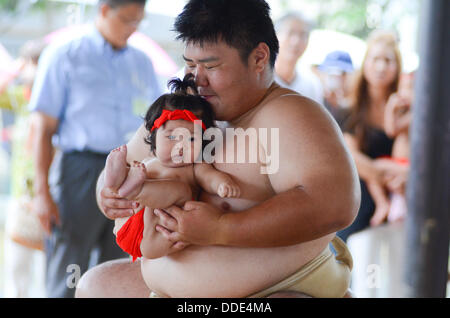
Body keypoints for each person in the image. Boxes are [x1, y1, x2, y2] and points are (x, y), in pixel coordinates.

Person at [77, 0, 360, 298]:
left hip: (277, 290)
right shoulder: (184, 110)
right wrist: (108, 196)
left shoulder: (289, 114)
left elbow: (334, 205)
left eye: (210, 66)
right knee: (95, 285)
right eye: (190, 65)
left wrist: (222, 228)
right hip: (168, 287)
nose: (197, 80)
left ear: (259, 58)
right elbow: (124, 166)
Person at [28, 0, 161, 297]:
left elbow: (155, 124)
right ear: (103, 10)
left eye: (138, 21)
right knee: (68, 266)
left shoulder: (142, 62)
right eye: (127, 19)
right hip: (80, 172)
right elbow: (42, 127)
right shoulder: (65, 54)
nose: (133, 28)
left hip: (131, 172)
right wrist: (41, 193)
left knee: (116, 265)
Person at [107, 74, 240, 261]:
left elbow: (210, 177)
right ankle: (118, 180)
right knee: (146, 178)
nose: (181, 145)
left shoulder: (196, 165)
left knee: (181, 191)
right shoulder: (148, 162)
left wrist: (222, 184)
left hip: (153, 234)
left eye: (192, 138)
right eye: (171, 137)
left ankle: (130, 187)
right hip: (130, 221)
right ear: (153, 137)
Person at [338, 30, 409, 241]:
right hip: (361, 194)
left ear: (397, 67)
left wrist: (407, 174)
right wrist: (391, 171)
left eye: (388, 60)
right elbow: (351, 158)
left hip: (401, 192)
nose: (381, 66)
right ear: (365, 63)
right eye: (375, 59)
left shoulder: (405, 107)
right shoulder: (350, 108)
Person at [1, 39, 47, 297]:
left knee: (46, 273)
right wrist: (16, 70)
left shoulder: (54, 105)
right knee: (17, 271)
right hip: (21, 196)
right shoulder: (20, 100)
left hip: (48, 196)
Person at [273, 12, 324, 105]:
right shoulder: (259, 78)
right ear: (275, 35)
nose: (296, 41)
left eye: (303, 35)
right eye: (290, 33)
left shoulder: (312, 84)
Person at [317, 50, 355, 128]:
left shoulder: (355, 107)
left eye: (342, 73)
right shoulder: (315, 98)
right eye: (330, 72)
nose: (336, 78)